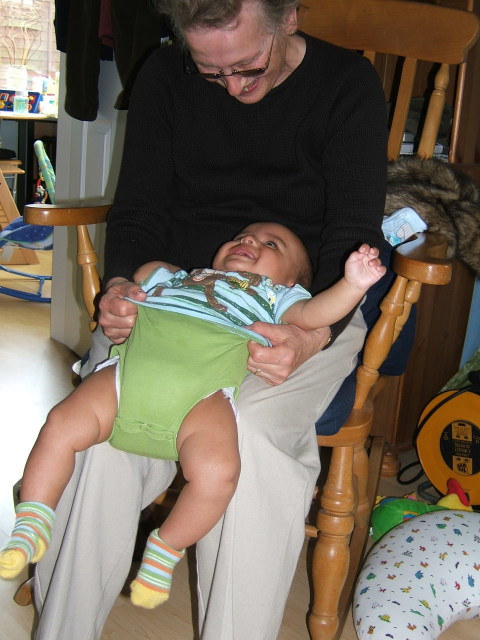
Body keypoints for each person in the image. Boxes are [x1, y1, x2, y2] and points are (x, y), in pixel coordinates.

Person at [32, 1, 388, 638]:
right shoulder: (165, 76)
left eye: (248, 65)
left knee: (252, 433)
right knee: (100, 429)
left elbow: (352, 234)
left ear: (288, 18)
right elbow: (139, 210)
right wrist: (122, 285)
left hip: (306, 304)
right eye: (209, 71)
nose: (233, 88)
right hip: (178, 294)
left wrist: (311, 334)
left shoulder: (346, 85)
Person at [1, 221, 385, 609]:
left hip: (202, 394)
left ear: (290, 282)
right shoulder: (186, 278)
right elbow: (143, 271)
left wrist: (353, 284)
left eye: (271, 244)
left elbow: (318, 313)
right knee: (61, 425)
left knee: (219, 473)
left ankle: (166, 547)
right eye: (241, 237)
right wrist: (161, 276)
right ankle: (34, 518)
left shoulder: (277, 296)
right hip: (129, 376)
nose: (248, 240)